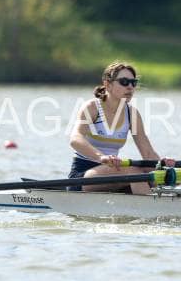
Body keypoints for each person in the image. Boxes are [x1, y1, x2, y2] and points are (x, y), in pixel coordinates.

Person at [69, 62, 174, 194]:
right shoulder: (92, 107)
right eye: (124, 82)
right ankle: (152, 205)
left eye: (133, 83)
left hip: (113, 171)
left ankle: (159, 201)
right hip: (83, 175)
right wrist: (101, 157)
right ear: (108, 84)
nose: (130, 87)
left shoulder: (132, 114)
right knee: (133, 171)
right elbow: (75, 138)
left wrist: (162, 165)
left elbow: (147, 153)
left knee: (164, 175)